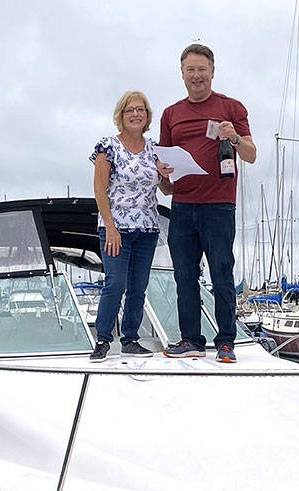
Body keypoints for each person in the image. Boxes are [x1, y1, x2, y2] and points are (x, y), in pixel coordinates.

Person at [158, 43, 256, 363]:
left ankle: (226, 342)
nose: (196, 76)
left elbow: (251, 155)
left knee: (222, 273)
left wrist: (235, 137)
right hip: (183, 206)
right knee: (184, 276)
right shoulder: (171, 114)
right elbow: (165, 179)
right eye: (191, 70)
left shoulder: (231, 107)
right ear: (182, 74)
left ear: (213, 72)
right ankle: (191, 340)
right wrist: (163, 176)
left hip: (219, 204)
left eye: (202, 69)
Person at [89, 91, 173, 362]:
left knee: (138, 287)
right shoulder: (108, 147)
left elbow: (167, 190)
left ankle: (130, 339)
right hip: (116, 228)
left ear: (147, 116)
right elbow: (100, 190)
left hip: (147, 228)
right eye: (130, 110)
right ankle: (102, 339)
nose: (136, 114)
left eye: (141, 110)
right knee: (115, 283)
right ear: (121, 116)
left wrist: (165, 174)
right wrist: (111, 229)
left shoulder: (155, 150)